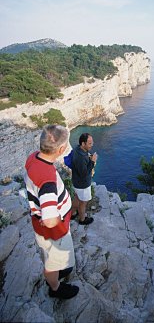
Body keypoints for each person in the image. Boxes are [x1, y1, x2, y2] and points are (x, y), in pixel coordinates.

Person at [24, 124, 79, 300]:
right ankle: (55, 288)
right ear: (62, 149)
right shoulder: (47, 179)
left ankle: (58, 271)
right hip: (54, 231)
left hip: (40, 222)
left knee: (54, 258)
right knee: (53, 262)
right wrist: (58, 218)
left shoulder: (33, 158)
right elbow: (49, 220)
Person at [71, 133, 97, 225]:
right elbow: (84, 173)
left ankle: (72, 213)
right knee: (83, 202)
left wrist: (88, 158)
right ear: (83, 144)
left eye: (92, 142)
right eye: (89, 143)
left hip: (76, 181)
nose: (92, 145)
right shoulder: (81, 157)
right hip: (82, 184)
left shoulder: (77, 149)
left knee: (77, 198)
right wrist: (92, 161)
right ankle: (82, 219)